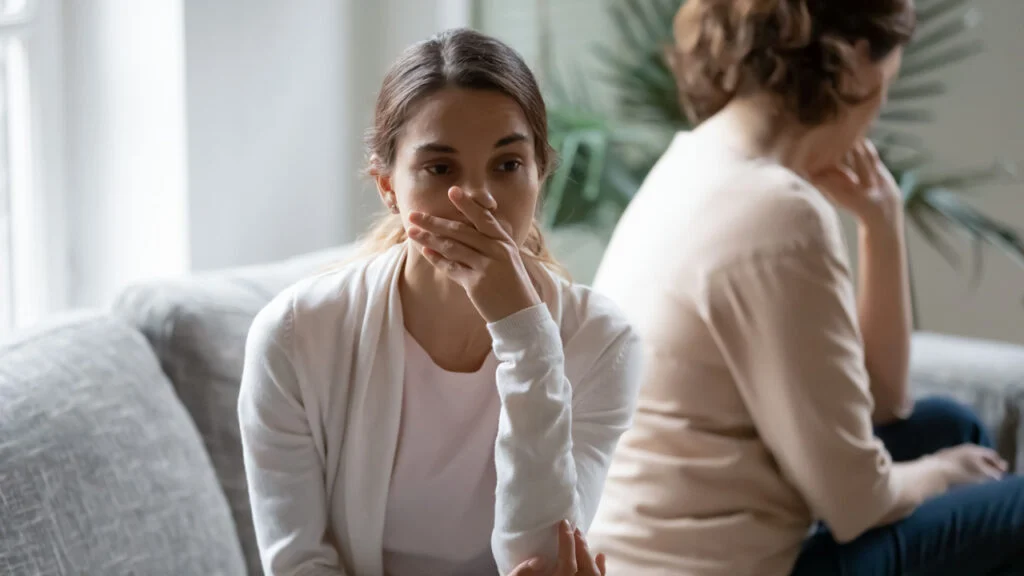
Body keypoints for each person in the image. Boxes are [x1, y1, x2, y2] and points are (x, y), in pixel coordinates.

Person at [587, 1, 1024, 575]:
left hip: (637, 559)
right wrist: (941, 474)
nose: (878, 109)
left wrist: (881, 225)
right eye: (887, 82)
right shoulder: (777, 213)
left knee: (948, 427)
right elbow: (857, 502)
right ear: (855, 65)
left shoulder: (694, 160)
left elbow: (884, 403)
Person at [238, 28, 642, 576]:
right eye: (440, 168)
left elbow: (540, 560)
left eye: (507, 165)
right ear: (387, 186)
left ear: (540, 173)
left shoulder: (601, 343)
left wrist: (527, 336)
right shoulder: (294, 337)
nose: (478, 199)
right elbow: (299, 565)